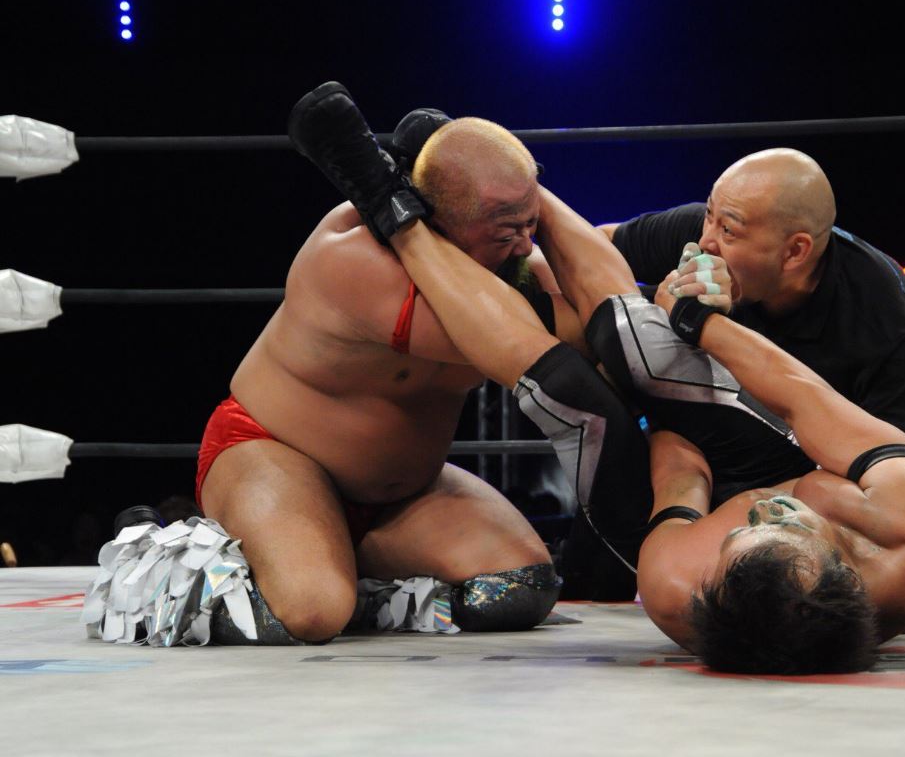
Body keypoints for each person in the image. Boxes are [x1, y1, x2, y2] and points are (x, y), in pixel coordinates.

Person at [370, 152, 905, 673]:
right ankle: (493, 174)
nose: (769, 506)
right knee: (620, 332)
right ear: (842, 578)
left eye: (747, 527)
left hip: (689, 466)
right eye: (790, 524)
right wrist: (698, 323)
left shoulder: (676, 586)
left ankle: (398, 219)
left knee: (578, 388)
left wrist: (666, 396)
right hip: (801, 440)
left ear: (716, 581)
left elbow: (676, 470)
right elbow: (803, 395)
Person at [95, 84, 589, 646]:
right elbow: (521, 337)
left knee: (520, 587)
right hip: (272, 452)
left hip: (398, 497)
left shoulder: (502, 266)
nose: (525, 246)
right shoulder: (355, 256)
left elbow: (599, 305)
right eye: (506, 229)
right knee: (310, 612)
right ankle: (149, 548)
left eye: (530, 225)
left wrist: (526, 198)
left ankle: (326, 559)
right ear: (440, 217)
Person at [600, 149, 905, 463]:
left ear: (795, 252)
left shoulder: (880, 313)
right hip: (732, 440)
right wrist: (656, 306)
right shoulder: (702, 236)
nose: (706, 240)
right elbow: (596, 246)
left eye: (729, 230)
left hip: (837, 457)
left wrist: (696, 320)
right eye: (710, 214)